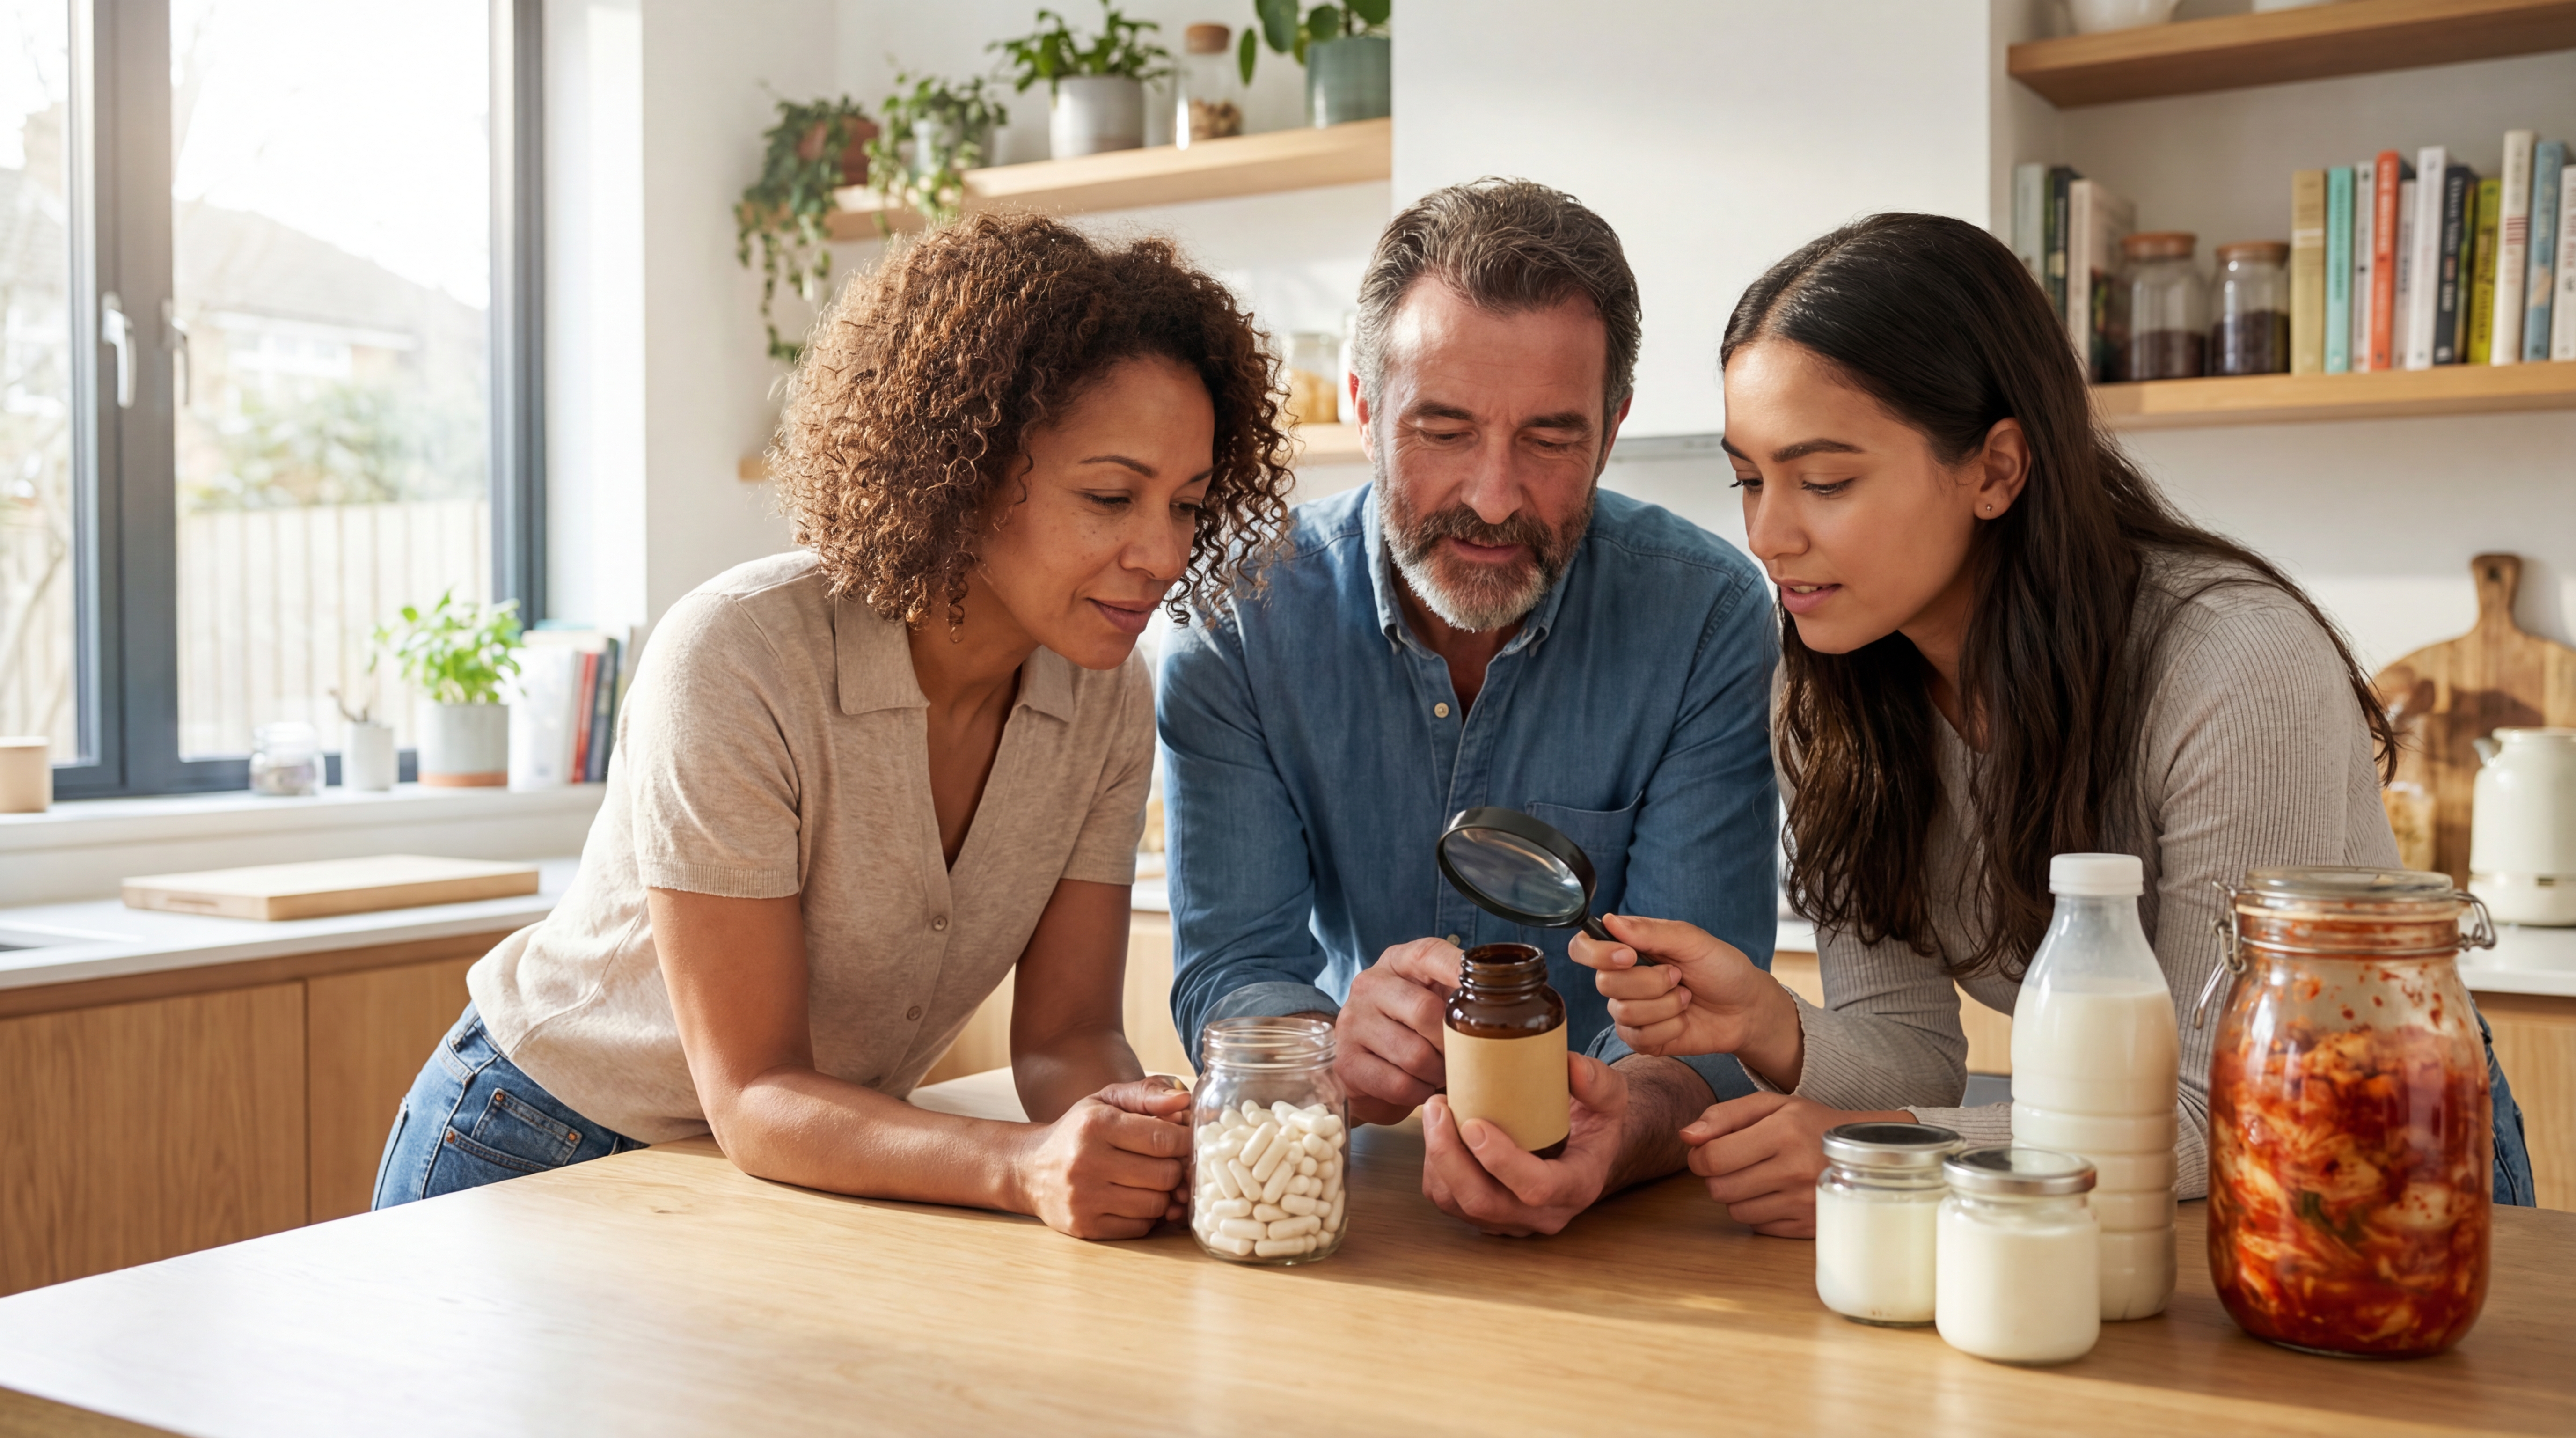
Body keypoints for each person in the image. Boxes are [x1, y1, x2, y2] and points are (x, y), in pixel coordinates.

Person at [1571, 212, 2536, 1236]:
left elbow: (2222, 1104)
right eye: (1749, 480)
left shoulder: (2232, 665)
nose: (1767, 535)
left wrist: (1889, 1153)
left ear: (1995, 468)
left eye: (1823, 482)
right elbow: (1909, 1048)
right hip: (2114, 1193)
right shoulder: (1831, 692)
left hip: (2381, 1158)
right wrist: (1767, 1022)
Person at [373, 213, 1298, 1239]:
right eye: (1111, 496)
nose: (1161, 553)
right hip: (535, 1148)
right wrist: (1025, 1166)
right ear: (968, 464)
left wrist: (1137, 1131)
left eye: (1185, 506)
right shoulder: (737, 658)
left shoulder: (1106, 695)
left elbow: (1067, 1035)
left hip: (794, 1168)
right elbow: (756, 1093)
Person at [1159, 179, 1781, 1238]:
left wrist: (1621, 1129)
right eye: (1442, 428)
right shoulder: (1239, 622)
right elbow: (1233, 968)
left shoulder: (1707, 618)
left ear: (1612, 427)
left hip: (1623, 1212)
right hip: (1360, 1203)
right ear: (1361, 405)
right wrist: (1326, 1055)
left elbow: (1702, 1020)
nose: (1494, 498)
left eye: (1548, 439)